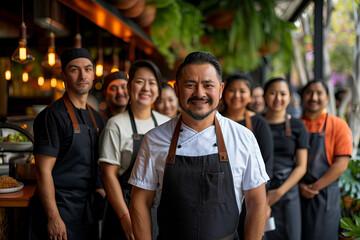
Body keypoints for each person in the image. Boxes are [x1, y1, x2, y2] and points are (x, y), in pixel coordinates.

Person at [129, 51, 269, 240]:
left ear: (220, 90)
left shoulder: (243, 138)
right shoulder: (154, 139)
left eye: (207, 85)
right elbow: (140, 201)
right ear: (177, 89)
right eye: (190, 85)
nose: (199, 93)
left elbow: (257, 203)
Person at [30, 48, 106, 240]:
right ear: (64, 76)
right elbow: (43, 171)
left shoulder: (97, 119)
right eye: (74, 70)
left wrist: (100, 189)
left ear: (93, 74)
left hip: (86, 212)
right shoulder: (51, 117)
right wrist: (53, 217)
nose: (83, 75)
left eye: (88, 69)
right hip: (59, 206)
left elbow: (98, 162)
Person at [99, 60, 169, 240]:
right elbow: (108, 175)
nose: (146, 88)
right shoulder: (115, 125)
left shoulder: (166, 125)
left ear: (158, 90)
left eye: (152, 83)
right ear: (130, 87)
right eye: (140, 82)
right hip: (124, 206)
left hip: (158, 208)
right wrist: (125, 218)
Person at [222, 73, 274, 239]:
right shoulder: (214, 121)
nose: (237, 95)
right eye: (232, 90)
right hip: (221, 194)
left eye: (242, 91)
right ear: (223, 92)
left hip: (251, 195)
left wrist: (263, 201)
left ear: (250, 95)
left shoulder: (259, 123)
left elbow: (267, 163)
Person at [300, 80, 352, 240]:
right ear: (302, 96)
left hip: (325, 195)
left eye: (319, 93)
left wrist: (314, 187)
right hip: (297, 192)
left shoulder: (338, 125)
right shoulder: (295, 125)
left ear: (327, 98)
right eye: (309, 92)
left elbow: (341, 164)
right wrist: (300, 186)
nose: (314, 97)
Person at [263, 77, 308, 240]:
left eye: (283, 94)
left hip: (288, 190)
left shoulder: (297, 126)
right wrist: (264, 195)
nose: (278, 98)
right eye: (273, 93)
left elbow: (301, 166)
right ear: (265, 95)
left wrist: (279, 193)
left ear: (289, 97)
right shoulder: (255, 124)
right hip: (259, 189)